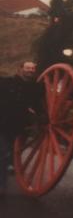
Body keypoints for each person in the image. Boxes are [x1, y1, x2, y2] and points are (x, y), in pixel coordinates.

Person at [0, 61, 40, 195]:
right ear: (21, 69)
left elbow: (40, 104)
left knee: (10, 152)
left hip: (22, 125)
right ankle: (1, 186)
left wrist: (37, 115)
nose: (31, 70)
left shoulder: (37, 87)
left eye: (33, 68)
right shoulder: (7, 82)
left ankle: (11, 165)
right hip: (5, 122)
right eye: (28, 68)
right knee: (3, 153)